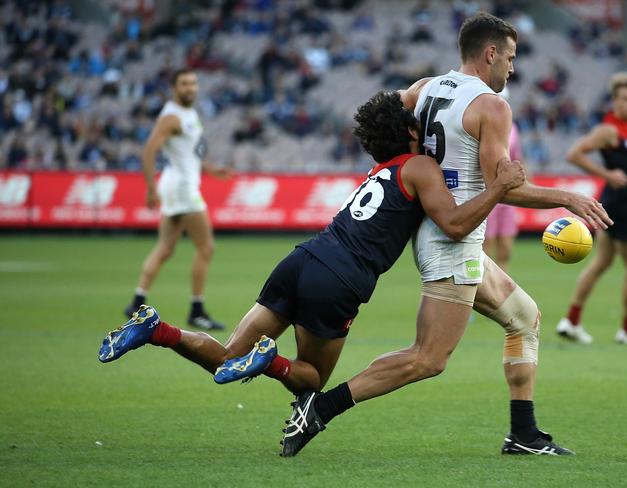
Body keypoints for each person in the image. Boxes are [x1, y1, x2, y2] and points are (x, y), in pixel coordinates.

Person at [276, 12, 612, 458]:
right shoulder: (493, 106)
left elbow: (379, 118)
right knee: (427, 358)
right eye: (509, 58)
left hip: (441, 230)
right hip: (455, 239)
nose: (512, 68)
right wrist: (568, 198)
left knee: (524, 319)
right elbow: (504, 186)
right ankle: (320, 409)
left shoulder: (424, 88)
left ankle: (523, 435)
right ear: (489, 53)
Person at [99, 91, 525, 410]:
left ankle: (157, 330)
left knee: (228, 357)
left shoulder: (378, 171)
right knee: (312, 381)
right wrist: (500, 187)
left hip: (302, 259)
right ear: (412, 132)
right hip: (340, 278)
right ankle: (269, 362)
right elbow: (452, 224)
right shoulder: (420, 167)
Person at [123, 69, 232, 331]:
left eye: (193, 83)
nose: (191, 88)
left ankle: (136, 301)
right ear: (174, 87)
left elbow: (189, 154)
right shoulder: (171, 116)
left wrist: (211, 169)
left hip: (176, 183)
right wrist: (149, 188)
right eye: (184, 84)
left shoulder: (189, 114)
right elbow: (149, 151)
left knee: (165, 248)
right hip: (182, 187)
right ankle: (197, 310)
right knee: (206, 248)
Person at [556, 73, 627, 345]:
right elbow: (573, 153)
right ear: (614, 101)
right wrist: (606, 174)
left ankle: (571, 321)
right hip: (622, 206)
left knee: (602, 263)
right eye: (624, 99)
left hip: (618, 203)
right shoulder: (609, 130)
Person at [483, 87, 523, 273]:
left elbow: (517, 157)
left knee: (505, 250)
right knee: (485, 249)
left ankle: (501, 292)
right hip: (488, 192)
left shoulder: (512, 128)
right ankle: (483, 294)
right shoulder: (482, 125)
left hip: (508, 194)